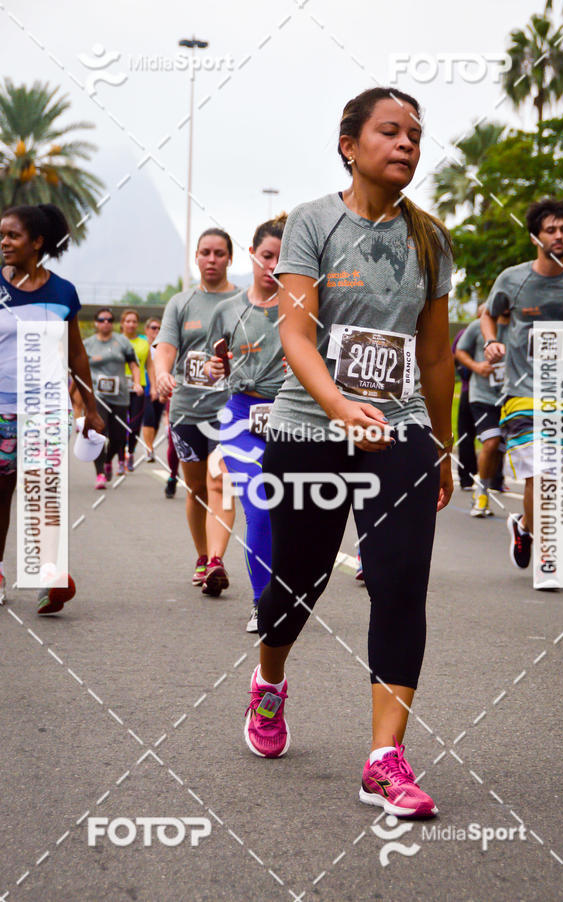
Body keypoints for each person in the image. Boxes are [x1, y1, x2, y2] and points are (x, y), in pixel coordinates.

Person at [243, 87, 454, 820]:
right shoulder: (312, 221)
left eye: (416, 136)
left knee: (400, 583)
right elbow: (295, 333)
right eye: (390, 132)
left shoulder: (431, 239)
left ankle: (384, 758)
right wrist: (336, 405)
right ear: (349, 143)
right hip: (308, 429)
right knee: (296, 585)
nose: (406, 145)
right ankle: (269, 681)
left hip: (396, 433)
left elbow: (433, 360)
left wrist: (442, 443)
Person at [481, 198, 563, 568]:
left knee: (555, 473)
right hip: (520, 392)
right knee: (538, 470)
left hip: (562, 391)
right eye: (551, 230)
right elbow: (489, 314)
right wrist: (491, 341)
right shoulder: (513, 279)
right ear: (536, 236)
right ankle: (549, 548)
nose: (559, 235)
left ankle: (527, 527)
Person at [0, 203, 104, 613]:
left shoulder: (63, 292)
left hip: (45, 408)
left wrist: (90, 409)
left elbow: (76, 356)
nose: (4, 242)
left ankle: (49, 576)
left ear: (37, 242)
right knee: (1, 491)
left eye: (12, 235)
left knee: (41, 490)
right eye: (2, 235)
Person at [204, 214, 288, 632]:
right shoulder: (227, 310)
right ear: (253, 255)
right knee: (259, 508)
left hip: (292, 417)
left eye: (282, 258)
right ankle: (262, 602)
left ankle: (285, 589)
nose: (273, 265)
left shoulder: (303, 308)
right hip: (240, 416)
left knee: (295, 511)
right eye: (267, 256)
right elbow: (213, 368)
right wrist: (214, 367)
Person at [154, 229, 239, 592]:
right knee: (196, 488)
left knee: (222, 482)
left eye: (219, 253)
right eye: (205, 252)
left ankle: (217, 561)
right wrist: (160, 373)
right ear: (196, 257)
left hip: (230, 411)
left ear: (230, 258)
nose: (212, 259)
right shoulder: (181, 302)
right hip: (187, 411)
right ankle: (203, 556)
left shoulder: (243, 302)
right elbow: (167, 347)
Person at [455, 304, 508, 516]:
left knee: (499, 447)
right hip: (482, 395)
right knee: (491, 441)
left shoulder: (521, 326)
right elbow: (459, 351)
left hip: (511, 395)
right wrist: (477, 367)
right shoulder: (478, 326)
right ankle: (482, 494)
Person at [84, 308, 141, 488]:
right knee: (98, 433)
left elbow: (134, 364)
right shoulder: (88, 344)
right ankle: (100, 472)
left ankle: (109, 459)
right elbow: (80, 370)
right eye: (102, 319)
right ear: (96, 323)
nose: (106, 322)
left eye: (109, 319)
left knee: (118, 438)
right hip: (97, 396)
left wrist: (137, 383)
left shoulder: (122, 341)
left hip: (120, 395)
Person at [120, 308, 153, 471]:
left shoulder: (143, 343)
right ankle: (120, 457)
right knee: (118, 424)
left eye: (134, 321)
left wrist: (153, 387)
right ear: (122, 324)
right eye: (128, 321)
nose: (131, 324)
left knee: (134, 425)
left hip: (138, 387)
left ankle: (130, 452)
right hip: (118, 388)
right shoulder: (116, 341)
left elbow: (150, 366)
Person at [451, 325, 477, 490]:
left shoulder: (504, 330)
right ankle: (466, 477)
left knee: (495, 438)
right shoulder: (468, 332)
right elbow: (454, 354)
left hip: (496, 394)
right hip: (470, 390)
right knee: (466, 435)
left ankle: (496, 480)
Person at [141, 316, 164, 462]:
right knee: (148, 418)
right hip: (145, 388)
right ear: (147, 330)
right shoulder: (142, 345)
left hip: (160, 388)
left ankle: (148, 446)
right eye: (153, 328)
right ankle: (150, 449)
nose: (156, 331)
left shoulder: (162, 348)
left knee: (155, 421)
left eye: (159, 328)